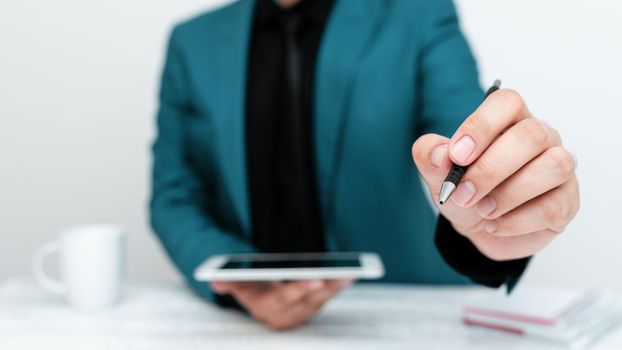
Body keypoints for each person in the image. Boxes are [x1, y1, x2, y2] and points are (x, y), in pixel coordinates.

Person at [150, 0, 580, 330]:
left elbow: (460, 144)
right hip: (244, 328)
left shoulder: (417, 13)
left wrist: (492, 210)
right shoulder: (192, 42)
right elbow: (175, 196)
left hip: (392, 315)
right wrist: (240, 283)